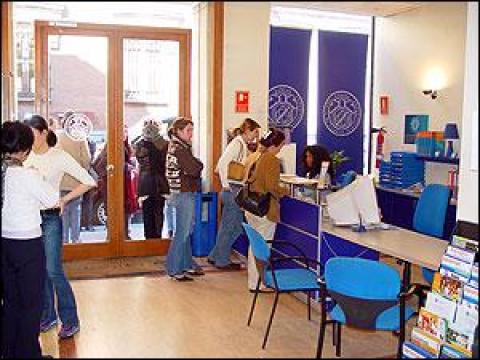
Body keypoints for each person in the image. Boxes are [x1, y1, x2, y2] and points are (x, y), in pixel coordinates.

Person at [23, 115, 96, 339]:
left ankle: (70, 320)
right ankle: (48, 316)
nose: (28, 138)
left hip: (51, 218)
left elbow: (89, 181)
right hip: (28, 220)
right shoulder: (23, 157)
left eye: (32, 133)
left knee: (53, 270)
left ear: (44, 132)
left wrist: (64, 200)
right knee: (39, 271)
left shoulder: (59, 156)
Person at [1, 121, 59, 358]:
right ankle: (27, 354)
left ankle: (9, 351)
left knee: (11, 301)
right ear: (25, 149)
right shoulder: (26, 175)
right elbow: (52, 199)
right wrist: (38, 177)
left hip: (4, 244)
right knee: (31, 304)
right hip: (27, 246)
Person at [208, 118, 261, 269]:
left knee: (231, 226)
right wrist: (225, 185)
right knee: (232, 226)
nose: (255, 137)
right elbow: (222, 164)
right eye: (255, 132)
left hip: (232, 189)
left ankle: (215, 255)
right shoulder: (237, 144)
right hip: (232, 190)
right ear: (248, 130)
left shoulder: (240, 144)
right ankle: (222, 260)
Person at [244, 128, 289, 292]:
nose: (282, 147)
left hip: (251, 207)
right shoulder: (272, 160)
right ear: (275, 144)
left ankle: (253, 281)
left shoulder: (256, 155)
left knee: (254, 245)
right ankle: (259, 283)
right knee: (263, 247)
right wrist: (285, 191)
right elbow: (271, 187)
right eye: (282, 144)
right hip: (264, 209)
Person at [165, 117, 204, 281]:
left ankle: (187, 264)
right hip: (183, 193)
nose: (191, 134)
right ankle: (174, 268)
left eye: (192, 130)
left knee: (187, 230)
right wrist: (198, 165)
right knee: (183, 231)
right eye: (188, 130)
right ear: (179, 131)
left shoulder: (177, 146)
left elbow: (192, 168)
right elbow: (194, 168)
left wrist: (196, 165)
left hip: (180, 192)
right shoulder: (179, 149)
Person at [55, 110, 92, 244]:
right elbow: (87, 159)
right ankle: (76, 239)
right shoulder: (80, 137)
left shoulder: (58, 137)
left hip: (61, 180)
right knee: (76, 210)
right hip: (77, 182)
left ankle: (64, 240)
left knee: (63, 210)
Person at [135, 119, 169, 239]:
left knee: (148, 213)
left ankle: (149, 242)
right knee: (158, 213)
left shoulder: (140, 144)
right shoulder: (163, 143)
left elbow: (141, 160)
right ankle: (155, 241)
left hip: (146, 182)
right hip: (159, 182)